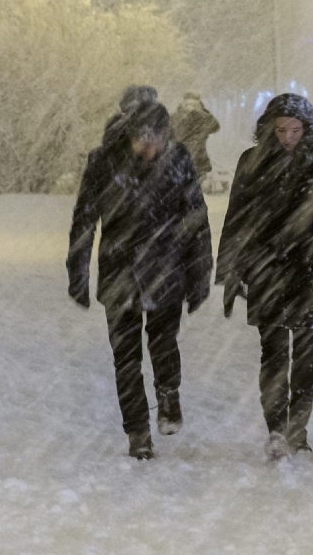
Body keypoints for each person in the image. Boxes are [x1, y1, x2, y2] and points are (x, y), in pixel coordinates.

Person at [216, 93, 313, 460]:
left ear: (308, 128)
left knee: (307, 358)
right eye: (280, 129)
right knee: (273, 356)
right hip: (265, 273)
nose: (287, 137)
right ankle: (276, 432)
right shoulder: (251, 163)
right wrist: (231, 274)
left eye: (295, 129)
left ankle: (298, 431)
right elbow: (236, 219)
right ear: (268, 129)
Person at [67, 100, 212, 460]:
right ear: (129, 135)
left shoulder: (178, 161)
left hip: (166, 270)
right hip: (120, 273)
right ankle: (138, 433)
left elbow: (196, 220)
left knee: (164, 346)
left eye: (157, 138)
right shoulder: (104, 164)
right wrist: (78, 273)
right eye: (142, 138)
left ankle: (168, 395)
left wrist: (199, 275)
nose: (150, 147)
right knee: (126, 360)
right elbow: (84, 221)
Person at [171, 91, 221, 176]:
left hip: (198, 163)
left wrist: (203, 111)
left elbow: (215, 126)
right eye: (188, 105)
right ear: (183, 104)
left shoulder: (203, 119)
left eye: (194, 105)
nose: (191, 108)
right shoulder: (175, 117)